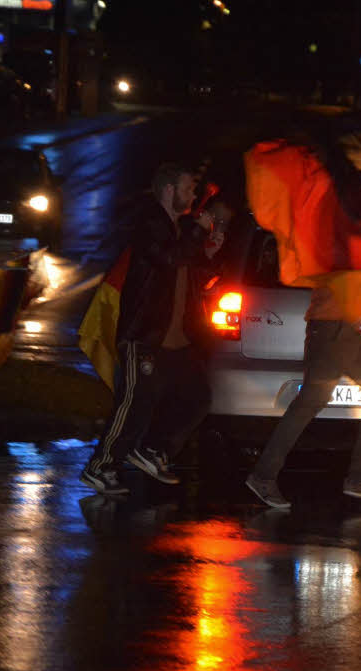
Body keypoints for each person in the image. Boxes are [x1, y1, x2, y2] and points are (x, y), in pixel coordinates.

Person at [80, 162, 224, 495]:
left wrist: (209, 250)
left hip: (177, 340)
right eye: (188, 188)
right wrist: (198, 232)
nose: (193, 195)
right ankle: (99, 467)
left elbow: (192, 269)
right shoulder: (149, 224)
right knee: (135, 403)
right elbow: (169, 259)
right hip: (145, 334)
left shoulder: (179, 228)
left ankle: (151, 451)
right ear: (169, 190)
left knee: (197, 397)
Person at [244, 285, 361, 510]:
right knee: (311, 400)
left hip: (347, 331)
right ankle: (263, 476)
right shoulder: (347, 251)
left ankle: (359, 478)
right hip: (332, 329)